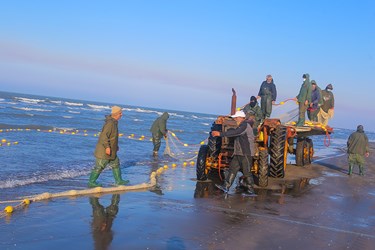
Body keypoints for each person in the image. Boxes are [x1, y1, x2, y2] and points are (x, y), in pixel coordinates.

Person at [211, 110, 255, 195]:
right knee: (232, 170)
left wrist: (219, 134)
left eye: (236, 117)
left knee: (247, 172)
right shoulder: (241, 125)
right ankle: (226, 187)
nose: (234, 119)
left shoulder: (245, 125)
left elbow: (236, 132)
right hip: (238, 153)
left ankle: (251, 191)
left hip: (245, 153)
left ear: (241, 118)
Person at [88, 106, 129, 188]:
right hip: (104, 150)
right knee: (100, 166)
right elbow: (104, 136)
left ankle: (119, 181)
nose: (121, 115)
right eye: (120, 113)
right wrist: (107, 147)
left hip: (112, 150)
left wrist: (116, 146)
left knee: (116, 163)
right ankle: (91, 182)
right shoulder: (110, 123)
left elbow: (112, 137)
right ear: (116, 114)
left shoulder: (114, 122)